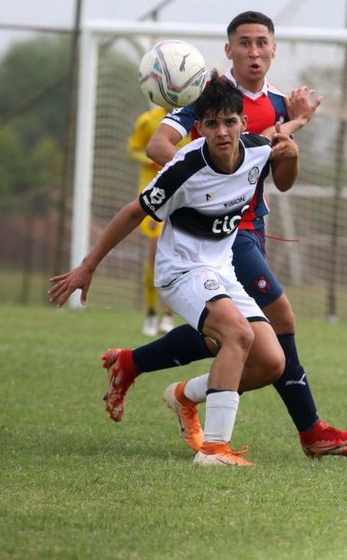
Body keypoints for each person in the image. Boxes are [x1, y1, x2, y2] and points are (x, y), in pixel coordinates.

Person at [103, 11, 347, 458]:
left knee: (226, 334)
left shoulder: (282, 104)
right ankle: (311, 431)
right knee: (279, 318)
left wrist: (291, 142)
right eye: (243, 43)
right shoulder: (210, 97)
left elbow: (282, 180)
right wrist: (199, 181)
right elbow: (158, 147)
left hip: (251, 228)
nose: (253, 51)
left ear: (273, 49)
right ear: (228, 50)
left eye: (261, 42)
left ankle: (137, 365)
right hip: (222, 231)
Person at [49, 73, 299, 466]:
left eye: (230, 122)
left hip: (221, 269)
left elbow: (280, 152)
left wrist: (294, 147)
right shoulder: (184, 166)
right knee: (236, 334)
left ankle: (186, 395)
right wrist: (88, 265)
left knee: (271, 361)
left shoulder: (256, 150)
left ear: (243, 124)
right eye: (212, 124)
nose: (222, 132)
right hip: (180, 271)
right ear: (198, 129)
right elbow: (134, 211)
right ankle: (215, 450)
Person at [127, 106, 189, 336]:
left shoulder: (192, 118)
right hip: (154, 195)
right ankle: (151, 313)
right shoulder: (148, 120)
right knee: (154, 255)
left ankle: (168, 315)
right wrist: (150, 158)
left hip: (182, 196)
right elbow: (133, 149)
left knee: (178, 255)